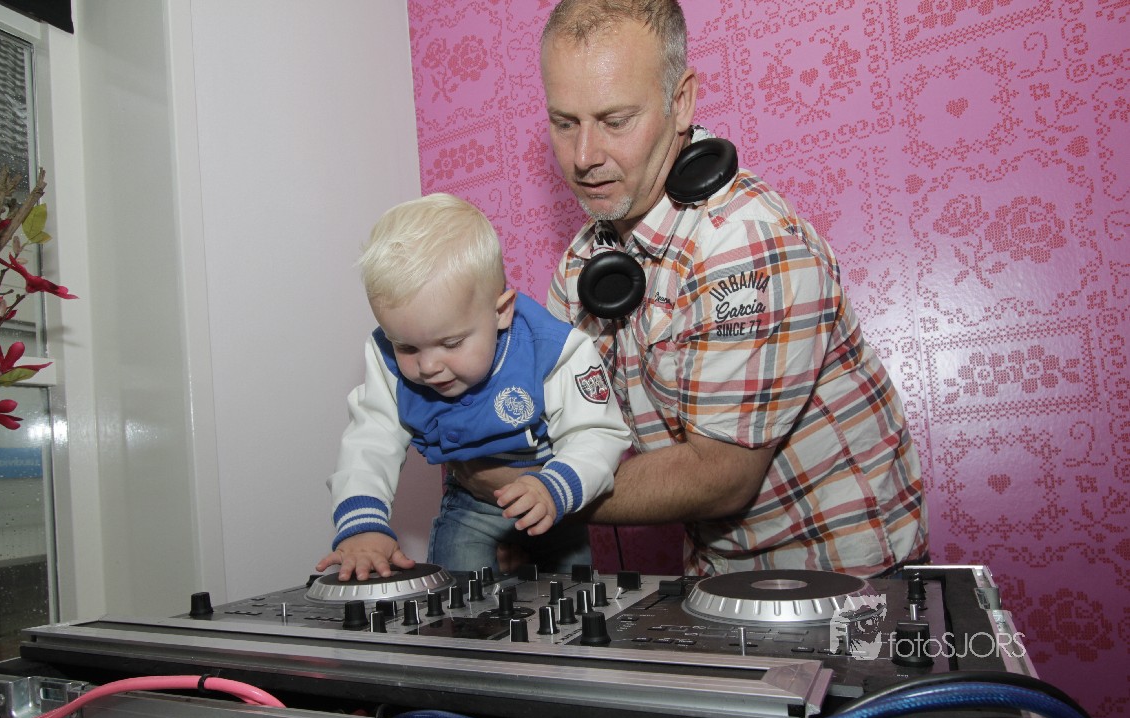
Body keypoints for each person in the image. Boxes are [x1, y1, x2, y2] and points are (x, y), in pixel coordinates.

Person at [454, 0, 927, 578]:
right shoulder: (585, 264)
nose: (583, 157)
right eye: (565, 123)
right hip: (717, 576)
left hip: (849, 579)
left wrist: (530, 491)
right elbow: (558, 426)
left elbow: (720, 476)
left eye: (615, 121)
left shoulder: (744, 243)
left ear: (680, 102)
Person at [316, 193, 632, 582]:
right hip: (470, 505)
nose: (429, 366)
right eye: (407, 347)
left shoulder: (554, 351)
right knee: (458, 599)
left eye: (451, 343)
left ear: (501, 312)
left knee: (572, 599)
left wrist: (556, 485)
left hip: (552, 495)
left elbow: (598, 433)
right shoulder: (387, 360)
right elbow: (370, 441)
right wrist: (362, 524)